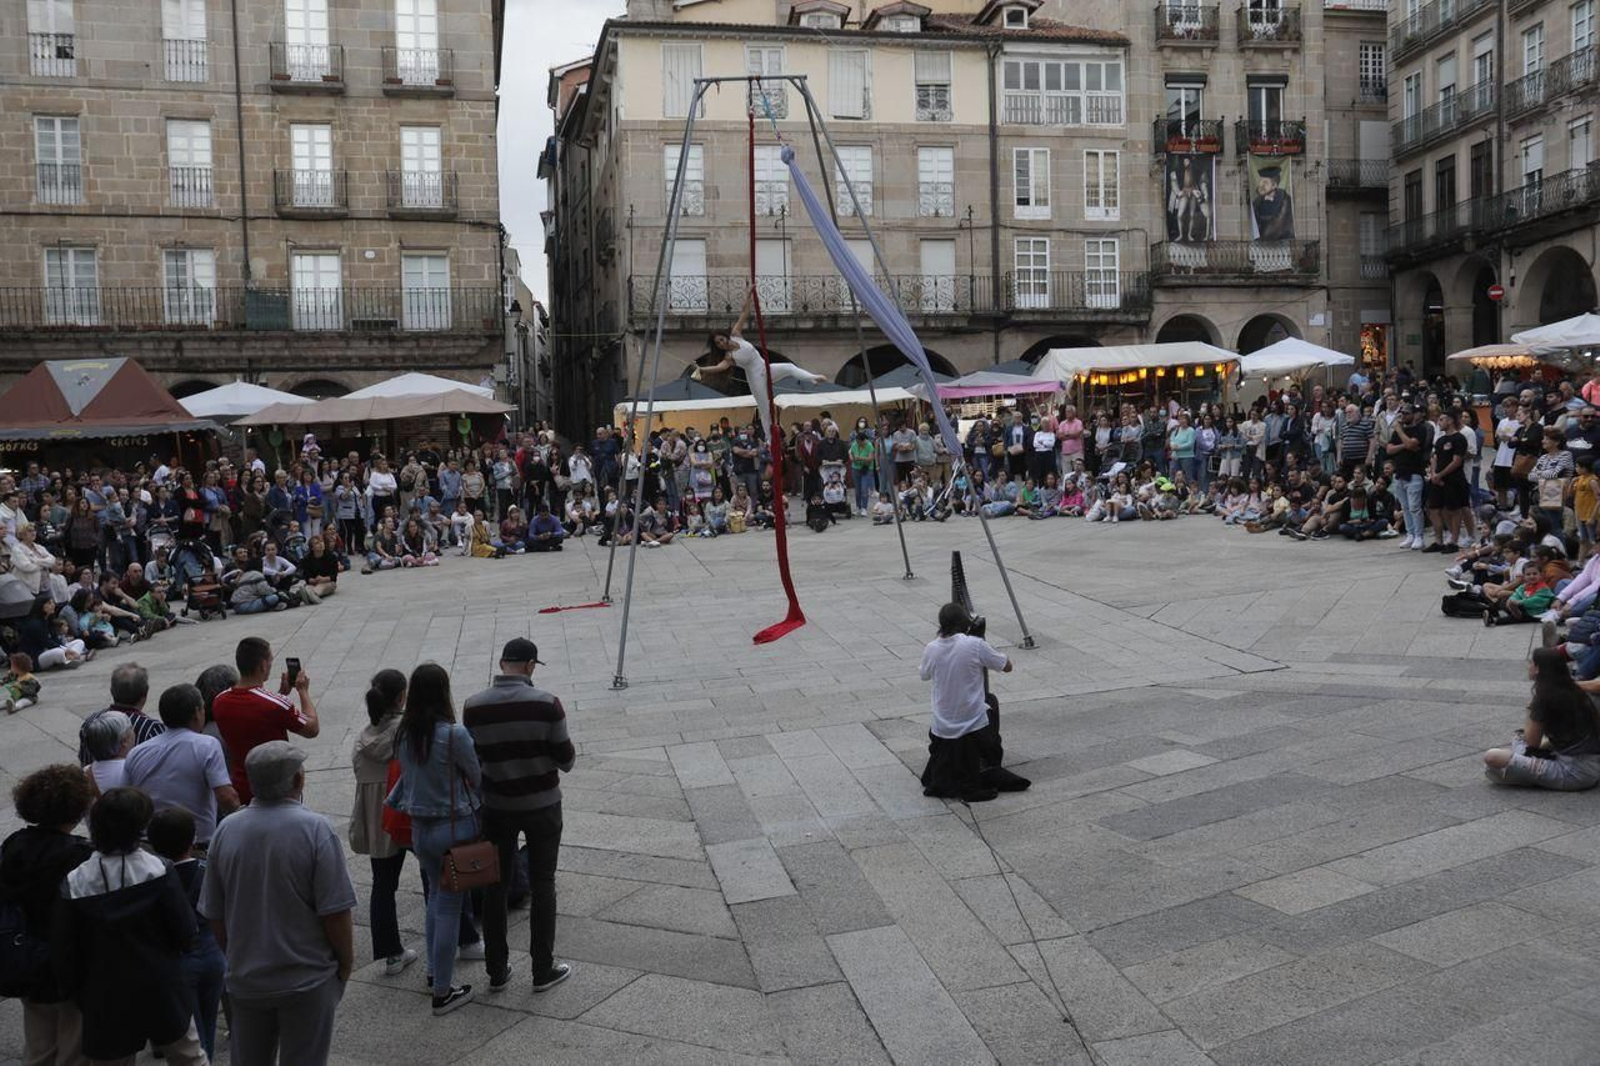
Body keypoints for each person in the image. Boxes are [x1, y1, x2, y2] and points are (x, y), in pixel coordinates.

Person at [201, 741, 356, 1066]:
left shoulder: (226, 831)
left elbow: (215, 915)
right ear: (298, 781)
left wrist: (236, 958)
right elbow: (335, 911)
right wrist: (344, 963)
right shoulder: (316, 829)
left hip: (247, 980)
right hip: (307, 978)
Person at [53, 787, 208, 1065]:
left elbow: (66, 951)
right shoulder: (158, 870)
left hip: (105, 995)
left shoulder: (76, 882)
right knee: (188, 1057)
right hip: (162, 987)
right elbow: (185, 933)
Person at [462, 638, 575, 996]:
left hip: (497, 806)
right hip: (542, 804)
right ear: (529, 666)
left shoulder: (473, 706)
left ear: (501, 663)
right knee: (544, 885)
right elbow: (566, 759)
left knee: (495, 885)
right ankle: (542, 969)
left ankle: (497, 969)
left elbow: (474, 759)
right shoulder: (547, 704)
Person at [384, 663, 481, 1015]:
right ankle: (443, 990)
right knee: (449, 908)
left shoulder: (405, 735)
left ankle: (431, 972)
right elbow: (475, 774)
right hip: (454, 829)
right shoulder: (453, 734)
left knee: (435, 900)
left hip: (420, 830)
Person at [0, 765, 96, 1066]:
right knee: (73, 1046)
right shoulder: (79, 855)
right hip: (67, 961)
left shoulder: (15, 843)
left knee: (39, 1045)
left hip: (25, 955)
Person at [917, 603, 1030, 802]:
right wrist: (980, 640)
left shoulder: (932, 648)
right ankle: (989, 760)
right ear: (964, 624)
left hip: (941, 726)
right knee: (991, 701)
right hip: (972, 723)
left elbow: (924, 675)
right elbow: (1007, 666)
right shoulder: (973, 644)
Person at [349, 669, 422, 977]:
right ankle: (463, 938)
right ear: (401, 697)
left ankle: (391, 954)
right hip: (408, 812)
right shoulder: (407, 730)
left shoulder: (361, 739)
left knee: (383, 885)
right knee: (436, 875)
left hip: (377, 817)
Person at [696, 287, 827, 442]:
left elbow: (744, 313)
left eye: (721, 340)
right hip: (755, 378)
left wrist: (749, 295)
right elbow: (718, 368)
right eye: (718, 343)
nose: (721, 343)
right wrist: (701, 368)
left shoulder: (736, 334)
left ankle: (813, 378)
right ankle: (770, 439)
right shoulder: (729, 357)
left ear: (725, 337)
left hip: (766, 369)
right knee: (765, 408)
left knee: (790, 367)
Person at [147, 806, 226, 1061]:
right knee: (209, 1023)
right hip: (213, 955)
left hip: (177, 961)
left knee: (189, 1035)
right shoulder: (207, 870)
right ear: (193, 839)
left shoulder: (152, 877)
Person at [124, 682, 239, 848]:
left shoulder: (137, 752)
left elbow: (126, 801)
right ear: (196, 714)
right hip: (195, 846)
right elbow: (227, 798)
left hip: (150, 846)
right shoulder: (206, 745)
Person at [212, 636, 321, 805]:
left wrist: (280, 694)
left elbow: (252, 715)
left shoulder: (219, 701)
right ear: (263, 665)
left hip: (243, 786)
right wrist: (303, 691)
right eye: (270, 660)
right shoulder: (275, 704)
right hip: (279, 787)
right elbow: (312, 729)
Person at [1483, 647, 1600, 790]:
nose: (1528, 666)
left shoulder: (1544, 697)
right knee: (1518, 740)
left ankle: (1521, 772)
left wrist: (1531, 709)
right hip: (1592, 767)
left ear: (1538, 669)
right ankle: (1522, 769)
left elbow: (1532, 743)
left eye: (1531, 663)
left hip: (1571, 774)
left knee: (1493, 756)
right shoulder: (1578, 691)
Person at [76, 662, 164, 765]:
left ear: (112, 691)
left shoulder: (91, 722)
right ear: (144, 695)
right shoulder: (152, 729)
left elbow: (85, 762)